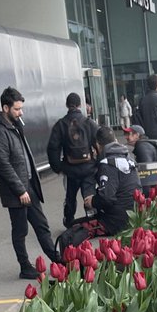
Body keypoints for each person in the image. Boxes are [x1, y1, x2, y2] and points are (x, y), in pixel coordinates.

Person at [0, 86, 57, 277]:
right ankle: (25, 266)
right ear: (5, 108)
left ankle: (58, 260)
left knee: (42, 225)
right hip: (18, 191)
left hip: (28, 186)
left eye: (21, 108)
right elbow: (3, 164)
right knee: (20, 229)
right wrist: (20, 190)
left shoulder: (15, 126)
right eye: (16, 109)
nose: (21, 112)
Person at [46, 92, 99, 229]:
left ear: (67, 105)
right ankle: (92, 219)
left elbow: (52, 148)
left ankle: (69, 221)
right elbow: (99, 142)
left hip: (70, 169)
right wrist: (98, 163)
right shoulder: (88, 123)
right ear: (80, 105)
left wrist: (58, 167)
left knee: (70, 197)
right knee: (89, 193)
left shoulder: (61, 124)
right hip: (88, 168)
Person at [83, 126, 139, 236]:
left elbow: (107, 198)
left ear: (98, 145)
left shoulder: (107, 164)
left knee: (76, 228)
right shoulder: (129, 158)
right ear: (116, 141)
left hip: (115, 222)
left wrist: (92, 201)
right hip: (134, 215)